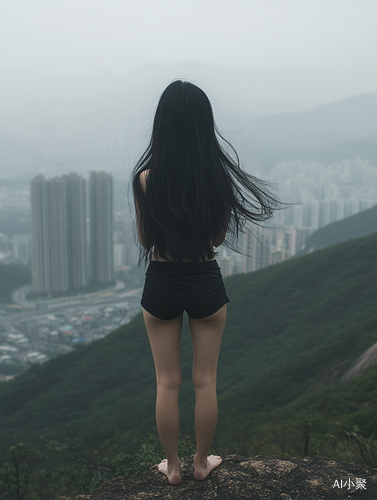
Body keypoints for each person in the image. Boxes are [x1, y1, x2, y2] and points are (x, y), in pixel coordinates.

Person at [131, 80, 281, 485]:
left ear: (162, 124)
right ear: (203, 124)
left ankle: (173, 468)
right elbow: (215, 239)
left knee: (167, 381)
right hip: (204, 279)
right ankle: (201, 463)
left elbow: (146, 239)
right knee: (205, 381)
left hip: (161, 279)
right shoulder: (216, 177)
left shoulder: (145, 178)